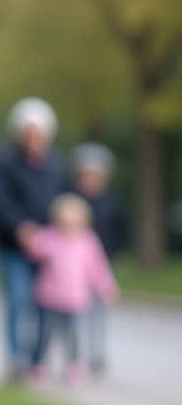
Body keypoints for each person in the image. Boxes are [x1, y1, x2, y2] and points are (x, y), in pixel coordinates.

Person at [0, 97, 71, 378]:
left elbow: (64, 203)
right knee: (16, 300)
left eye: (39, 133)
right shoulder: (4, 164)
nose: (34, 139)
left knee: (44, 305)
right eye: (29, 133)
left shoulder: (56, 166)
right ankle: (17, 358)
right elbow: (1, 201)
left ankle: (37, 358)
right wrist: (20, 227)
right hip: (15, 246)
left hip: (48, 249)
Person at [24, 194, 120, 387]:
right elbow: (36, 251)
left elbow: (98, 267)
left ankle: (73, 366)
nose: (68, 227)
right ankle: (37, 365)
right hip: (49, 297)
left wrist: (106, 287)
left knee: (73, 338)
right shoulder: (50, 236)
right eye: (64, 222)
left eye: (73, 222)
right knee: (44, 335)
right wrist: (31, 239)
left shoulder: (89, 241)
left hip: (75, 299)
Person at [69, 143, 128, 375]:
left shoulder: (112, 201)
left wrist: (112, 251)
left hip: (101, 263)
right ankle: (75, 355)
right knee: (74, 309)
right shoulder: (73, 200)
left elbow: (121, 230)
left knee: (97, 311)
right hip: (74, 265)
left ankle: (96, 353)